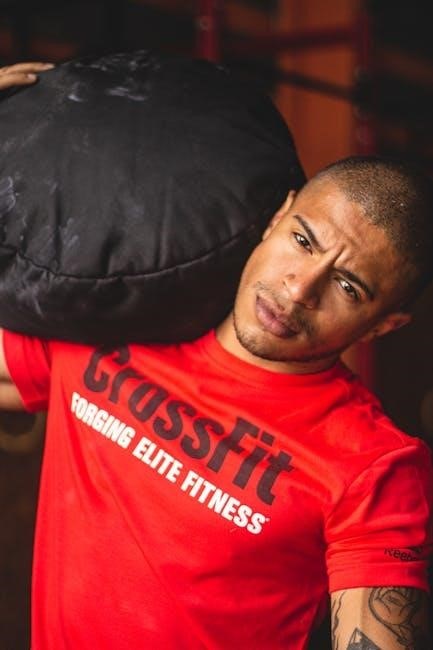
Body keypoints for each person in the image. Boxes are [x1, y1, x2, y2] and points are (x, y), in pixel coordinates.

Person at [0, 153, 432, 649]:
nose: (299, 290)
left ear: (383, 326)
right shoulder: (120, 328)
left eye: (347, 287)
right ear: (279, 216)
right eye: (302, 241)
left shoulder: (374, 466)